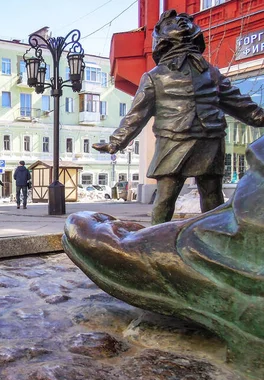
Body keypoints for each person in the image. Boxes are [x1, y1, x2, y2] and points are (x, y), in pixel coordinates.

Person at [94, 10, 264, 224]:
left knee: (213, 199)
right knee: (165, 198)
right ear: (163, 36)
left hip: (209, 139)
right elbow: (136, 115)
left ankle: (213, 239)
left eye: (185, 21)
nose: (182, 22)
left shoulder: (210, 72)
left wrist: (260, 117)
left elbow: (238, 103)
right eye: (173, 22)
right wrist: (115, 142)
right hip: (173, 141)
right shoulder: (154, 77)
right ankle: (153, 242)